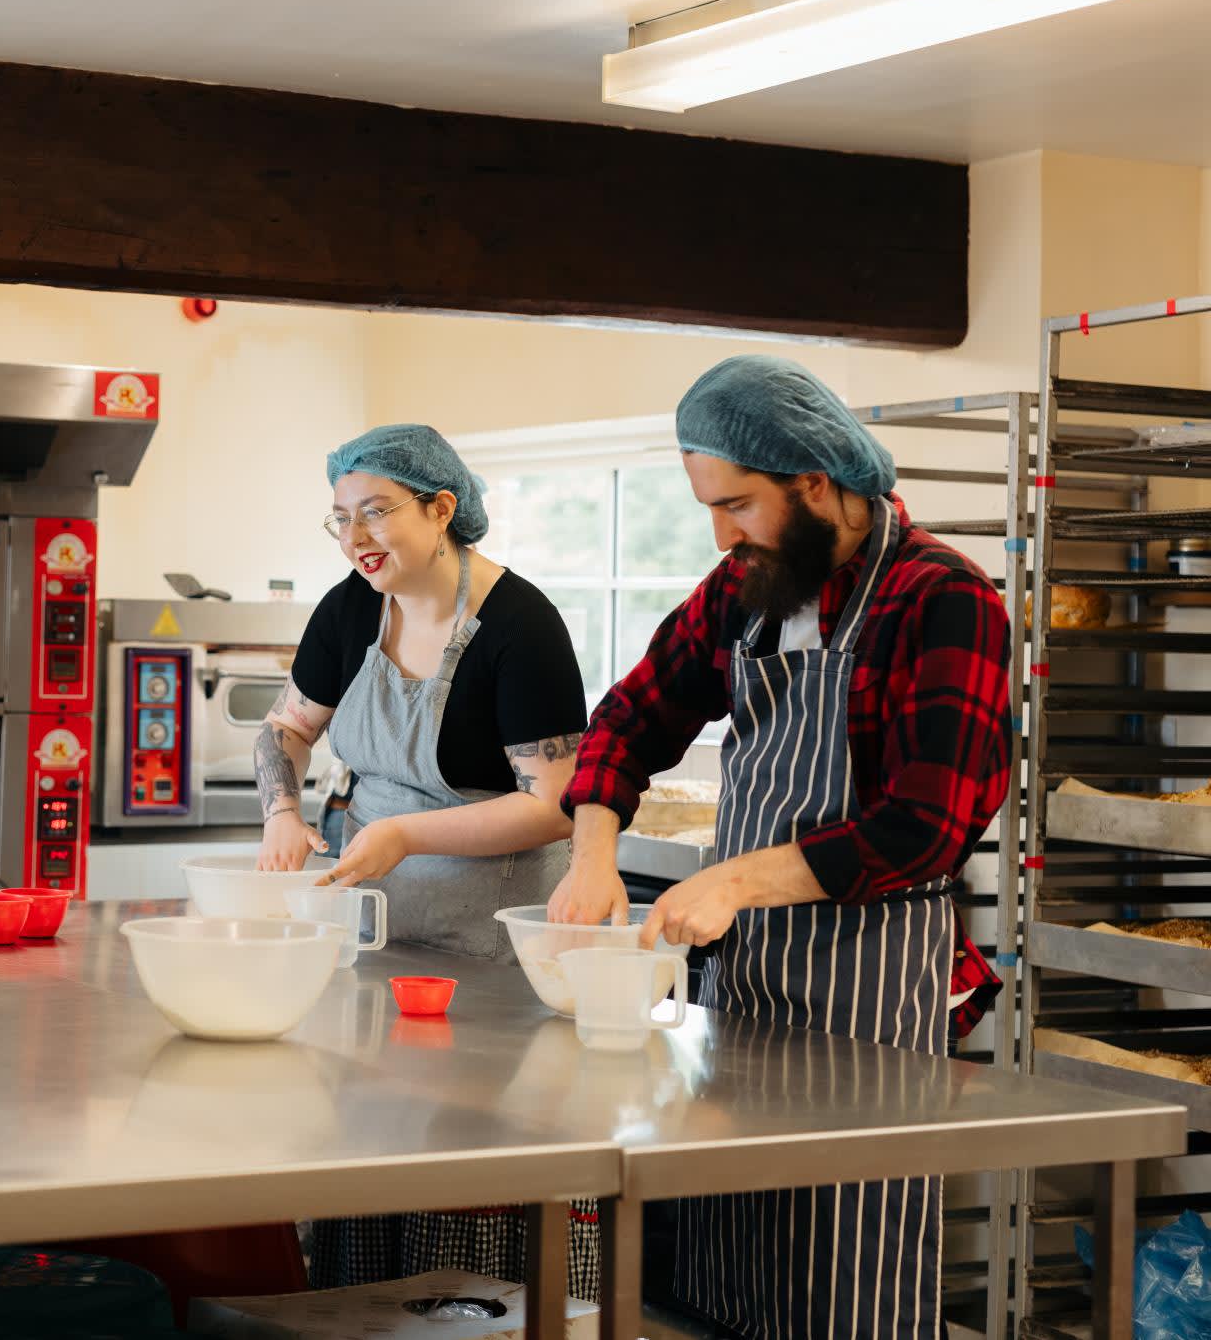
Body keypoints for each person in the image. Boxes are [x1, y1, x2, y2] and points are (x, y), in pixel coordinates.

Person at [551, 355, 1011, 1339]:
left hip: (868, 1001)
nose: (719, 534)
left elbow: (922, 827)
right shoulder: (745, 589)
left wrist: (737, 878)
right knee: (726, 1260)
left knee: (842, 1277)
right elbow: (629, 715)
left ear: (811, 484)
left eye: (736, 505)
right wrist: (591, 851)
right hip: (744, 989)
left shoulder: (942, 599)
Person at [256, 422, 597, 1299]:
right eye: (339, 518)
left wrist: (406, 835)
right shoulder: (348, 608)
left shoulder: (520, 626)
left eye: (376, 512)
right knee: (368, 1132)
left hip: (488, 949)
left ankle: (477, 1314)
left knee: (465, 1152)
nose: (355, 537)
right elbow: (287, 728)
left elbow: (551, 807)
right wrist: (283, 813)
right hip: (374, 933)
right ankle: (360, 1312)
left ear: (443, 509)